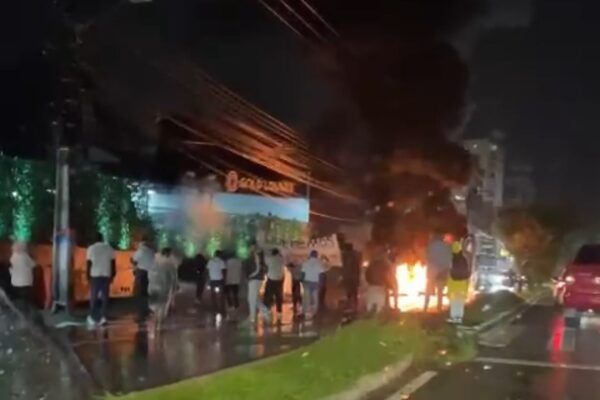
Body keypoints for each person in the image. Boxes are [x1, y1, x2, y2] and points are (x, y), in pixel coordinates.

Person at [86, 233, 116, 326]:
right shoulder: (109, 248)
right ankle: (103, 317)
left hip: (95, 275)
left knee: (94, 297)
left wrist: (87, 276)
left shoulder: (91, 248)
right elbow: (113, 263)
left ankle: (93, 318)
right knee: (105, 297)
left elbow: (89, 263)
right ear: (102, 239)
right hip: (106, 274)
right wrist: (113, 275)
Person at [149, 247, 179, 332]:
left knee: (155, 306)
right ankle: (159, 325)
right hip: (164, 287)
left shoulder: (154, 261)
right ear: (168, 254)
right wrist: (175, 286)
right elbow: (174, 277)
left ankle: (155, 323)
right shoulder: (169, 263)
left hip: (152, 286)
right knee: (162, 306)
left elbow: (150, 273)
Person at [424, 233, 452, 312]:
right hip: (443, 270)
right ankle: (439, 308)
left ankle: (425, 307)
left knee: (428, 289)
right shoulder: (447, 246)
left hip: (433, 270)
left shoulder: (431, 245)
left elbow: (428, 257)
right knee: (440, 290)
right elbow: (450, 259)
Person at [246, 243, 271, 323]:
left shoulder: (256, 254)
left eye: (250, 247)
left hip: (254, 279)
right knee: (255, 298)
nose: (249, 249)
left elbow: (257, 268)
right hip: (258, 278)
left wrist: (251, 275)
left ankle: (252, 318)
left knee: (251, 299)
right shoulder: (261, 255)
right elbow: (264, 267)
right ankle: (265, 311)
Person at [447, 241, 471, 324]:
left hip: (454, 284)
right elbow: (467, 271)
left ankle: (453, 317)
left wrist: (448, 284)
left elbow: (449, 271)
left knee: (454, 301)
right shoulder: (464, 259)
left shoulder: (452, 259)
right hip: (462, 284)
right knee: (460, 301)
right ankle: (459, 317)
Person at [132, 238, 155, 320]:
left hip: (141, 274)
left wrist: (134, 265)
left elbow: (134, 260)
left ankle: (140, 314)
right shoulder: (151, 252)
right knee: (145, 294)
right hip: (150, 274)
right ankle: (146, 311)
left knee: (139, 294)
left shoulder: (140, 251)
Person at [9, 242, 36, 308]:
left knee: (19, 297)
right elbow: (33, 264)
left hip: (15, 281)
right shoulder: (25, 256)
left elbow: (11, 267)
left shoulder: (13, 256)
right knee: (25, 297)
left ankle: (19, 309)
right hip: (25, 281)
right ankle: (25, 309)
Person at [301, 250, 325, 319]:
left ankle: (305, 312)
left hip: (307, 282)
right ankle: (314, 313)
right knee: (315, 298)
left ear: (310, 255)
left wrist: (302, 282)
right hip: (315, 283)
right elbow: (322, 274)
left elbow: (303, 274)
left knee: (306, 298)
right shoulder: (319, 264)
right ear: (316, 255)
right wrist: (321, 283)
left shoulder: (305, 263)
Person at [264, 248, 285, 320]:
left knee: (269, 294)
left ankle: (269, 310)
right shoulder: (281, 259)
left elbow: (265, 261)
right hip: (279, 279)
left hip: (271, 278)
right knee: (279, 295)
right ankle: (279, 312)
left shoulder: (269, 259)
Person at [341, 243, 361, 312]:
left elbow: (343, 267)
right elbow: (357, 268)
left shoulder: (344, 256)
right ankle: (355, 306)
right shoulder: (355, 256)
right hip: (354, 277)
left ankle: (350, 305)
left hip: (348, 277)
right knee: (354, 292)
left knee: (349, 292)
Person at [207, 250, 226, 314]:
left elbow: (207, 271)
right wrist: (224, 280)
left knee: (213, 295)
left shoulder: (210, 261)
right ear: (220, 255)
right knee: (221, 295)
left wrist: (208, 279)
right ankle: (221, 308)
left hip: (212, 280)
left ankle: (214, 308)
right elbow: (223, 271)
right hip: (220, 280)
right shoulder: (221, 262)